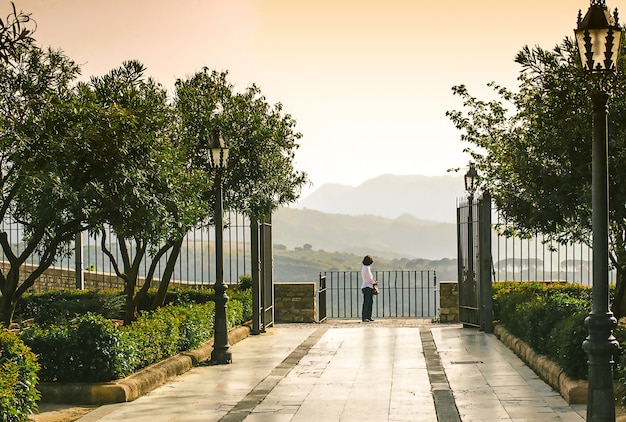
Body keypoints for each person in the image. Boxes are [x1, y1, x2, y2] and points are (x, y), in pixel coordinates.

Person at [361, 255, 378, 322]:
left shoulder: (364, 268)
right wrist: (374, 282)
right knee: (368, 302)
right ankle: (366, 316)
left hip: (365, 286)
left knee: (368, 302)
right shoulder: (367, 268)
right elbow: (369, 278)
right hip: (368, 286)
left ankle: (367, 316)